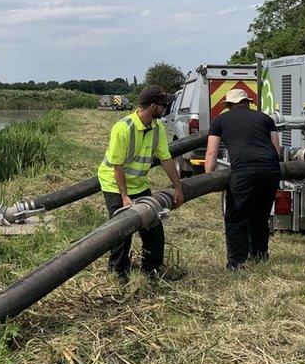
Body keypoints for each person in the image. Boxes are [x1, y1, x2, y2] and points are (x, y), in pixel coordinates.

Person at [97, 85, 184, 283]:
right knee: (121, 229)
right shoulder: (123, 128)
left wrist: (178, 187)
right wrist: (125, 197)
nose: (166, 108)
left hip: (139, 183)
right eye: (164, 104)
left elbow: (166, 158)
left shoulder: (157, 127)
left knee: (153, 226)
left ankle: (151, 270)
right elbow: (117, 165)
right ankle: (118, 274)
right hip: (114, 183)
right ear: (153, 106)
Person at [204, 89, 282, 270]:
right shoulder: (265, 118)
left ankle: (237, 261)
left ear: (229, 105)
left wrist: (209, 177)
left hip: (245, 171)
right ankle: (260, 255)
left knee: (236, 217)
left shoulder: (220, 121)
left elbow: (211, 151)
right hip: (271, 170)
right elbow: (276, 150)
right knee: (260, 215)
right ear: (247, 102)